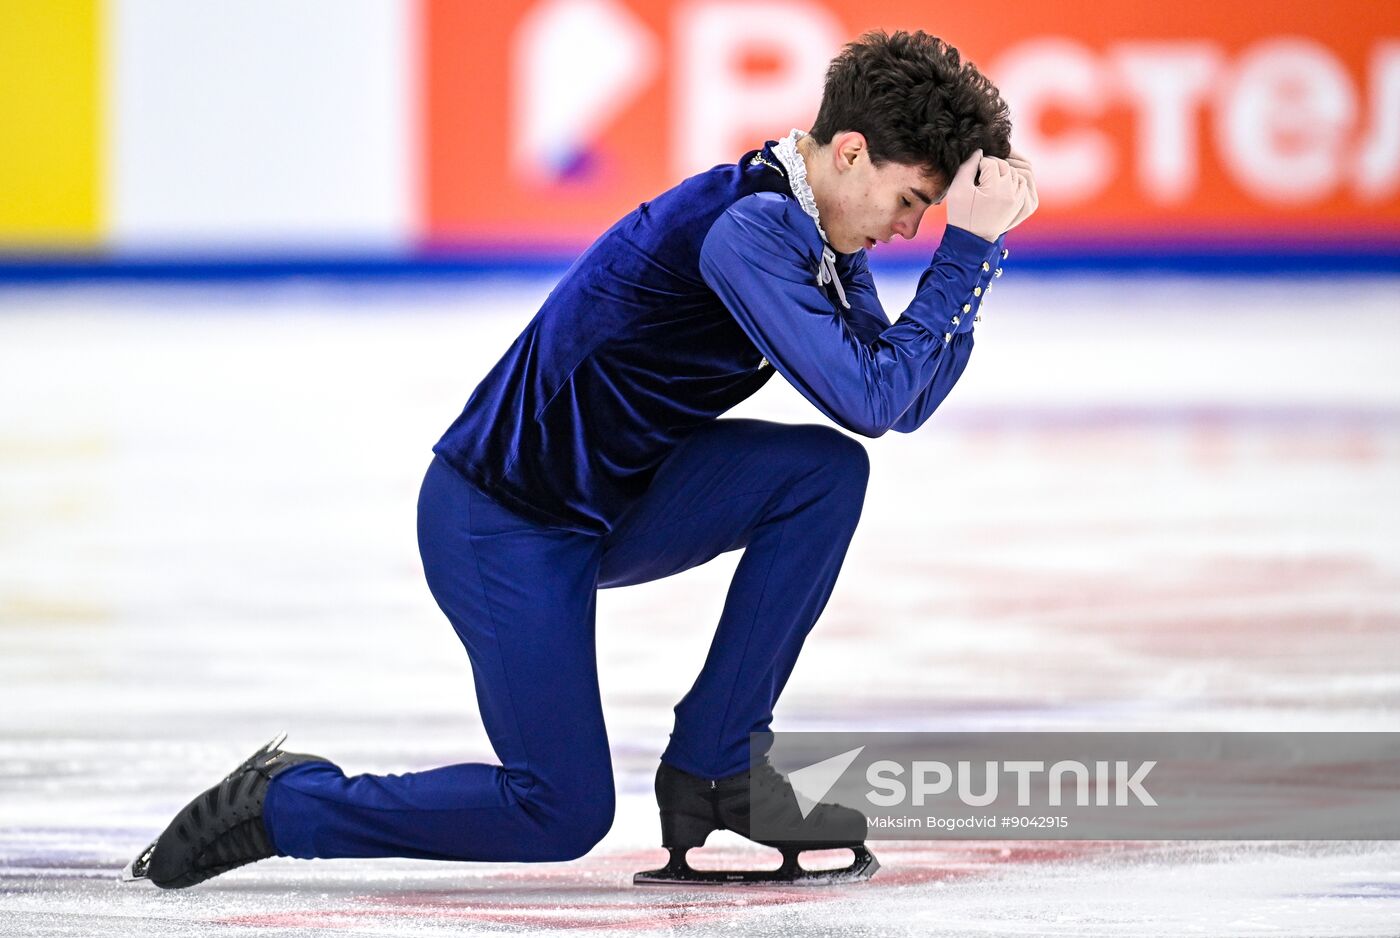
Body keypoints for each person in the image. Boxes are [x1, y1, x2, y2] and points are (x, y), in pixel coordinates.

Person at [123, 28, 1037, 889]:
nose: (910, 230)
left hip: (616, 500)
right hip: (501, 522)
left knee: (825, 477)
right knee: (557, 812)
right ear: (847, 153)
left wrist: (975, 254)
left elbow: (897, 396)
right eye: (912, 202)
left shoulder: (819, 234)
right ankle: (286, 807)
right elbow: (874, 397)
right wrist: (971, 249)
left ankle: (718, 767)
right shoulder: (750, 228)